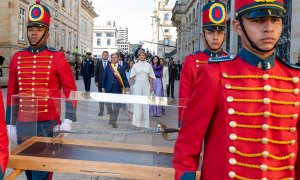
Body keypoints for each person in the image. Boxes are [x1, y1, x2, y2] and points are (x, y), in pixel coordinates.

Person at [173, 0, 300, 179]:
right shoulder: (214, 75)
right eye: (257, 20)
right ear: (237, 26)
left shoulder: (295, 79)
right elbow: (187, 147)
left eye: (276, 19)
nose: (269, 28)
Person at [6, 1, 76, 179]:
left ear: (47, 32)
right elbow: (12, 93)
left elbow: (70, 90)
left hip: (47, 125)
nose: (33, 33)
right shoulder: (17, 57)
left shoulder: (57, 58)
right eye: (30, 29)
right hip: (23, 125)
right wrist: (10, 123)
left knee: (42, 174)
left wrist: (68, 119)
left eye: (38, 28)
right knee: (29, 172)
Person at [178, 1, 228, 126]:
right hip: (197, 121)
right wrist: (183, 123)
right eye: (211, 32)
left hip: (223, 125)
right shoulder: (191, 61)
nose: (215, 37)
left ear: (225, 36)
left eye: (220, 33)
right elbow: (184, 97)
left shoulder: (231, 61)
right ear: (202, 35)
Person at [102, 52, 129, 128]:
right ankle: (111, 116)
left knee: (116, 107)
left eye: (115, 57)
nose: (114, 59)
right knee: (109, 106)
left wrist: (127, 86)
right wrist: (103, 87)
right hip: (108, 89)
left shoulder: (122, 68)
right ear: (111, 59)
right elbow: (104, 78)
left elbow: (124, 78)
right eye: (112, 57)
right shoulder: (108, 67)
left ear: (118, 58)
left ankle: (114, 121)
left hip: (117, 90)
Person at [130, 49, 155, 128]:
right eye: (140, 55)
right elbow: (132, 77)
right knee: (137, 103)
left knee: (145, 103)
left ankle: (145, 123)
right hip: (137, 84)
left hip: (146, 85)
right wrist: (130, 85)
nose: (142, 56)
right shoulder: (135, 65)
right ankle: (136, 122)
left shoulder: (148, 65)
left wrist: (152, 86)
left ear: (145, 56)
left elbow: (151, 77)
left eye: (143, 55)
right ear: (138, 56)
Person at [95, 51, 110, 116]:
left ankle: (109, 110)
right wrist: (96, 81)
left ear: (107, 56)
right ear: (102, 56)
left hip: (108, 83)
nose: (104, 56)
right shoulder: (98, 63)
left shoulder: (110, 63)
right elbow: (96, 73)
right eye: (103, 55)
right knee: (101, 97)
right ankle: (101, 111)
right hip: (100, 83)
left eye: (105, 55)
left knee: (108, 97)